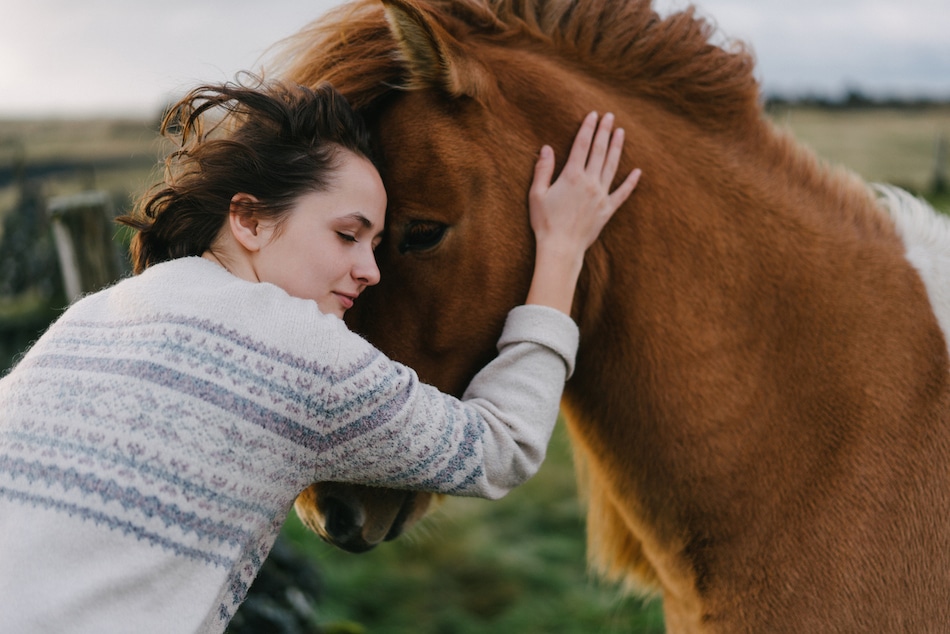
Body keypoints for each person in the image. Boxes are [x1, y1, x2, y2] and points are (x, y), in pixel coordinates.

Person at [0, 78, 641, 633]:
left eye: (379, 245)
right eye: (347, 235)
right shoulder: (301, 351)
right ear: (249, 221)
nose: (370, 271)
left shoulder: (90, 318)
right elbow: (500, 448)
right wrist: (561, 249)